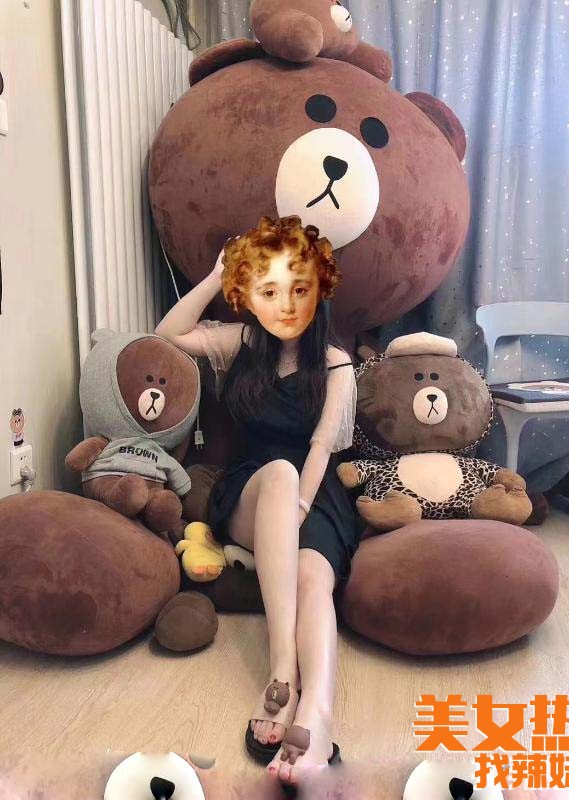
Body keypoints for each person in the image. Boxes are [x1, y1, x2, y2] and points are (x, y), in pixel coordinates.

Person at [155, 215, 360, 787]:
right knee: (277, 474)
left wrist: (299, 513)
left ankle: (317, 712)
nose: (286, 305)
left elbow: (320, 450)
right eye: (269, 291)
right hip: (251, 488)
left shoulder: (336, 364)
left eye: (298, 289)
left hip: (314, 494)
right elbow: (168, 334)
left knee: (313, 576)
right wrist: (214, 277)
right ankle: (281, 674)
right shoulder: (241, 342)